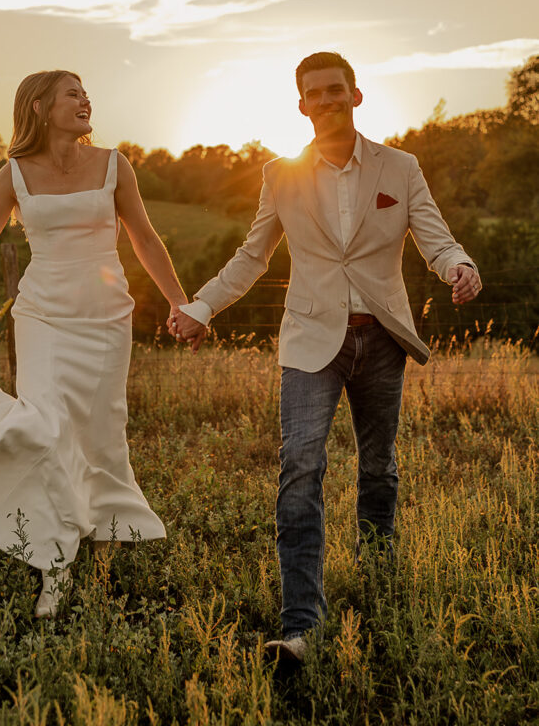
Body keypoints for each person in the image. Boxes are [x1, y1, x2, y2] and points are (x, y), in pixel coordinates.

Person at [171, 51, 481, 663]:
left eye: (337, 90)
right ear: (302, 106)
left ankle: (377, 580)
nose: (328, 100)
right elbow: (253, 254)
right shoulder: (280, 174)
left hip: (383, 337)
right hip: (312, 341)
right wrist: (202, 306)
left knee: (378, 469)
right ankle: (300, 628)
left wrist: (458, 265)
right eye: (316, 93)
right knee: (301, 469)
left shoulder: (401, 166)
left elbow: (433, 233)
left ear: (356, 96)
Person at [0, 70, 187, 617]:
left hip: (106, 317)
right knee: (44, 426)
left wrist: (180, 302)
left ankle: (104, 540)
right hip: (42, 316)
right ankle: (54, 560)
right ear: (38, 106)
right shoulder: (12, 174)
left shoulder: (114, 164)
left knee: (102, 432)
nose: (85, 100)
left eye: (86, 92)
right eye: (72, 93)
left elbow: (145, 237)